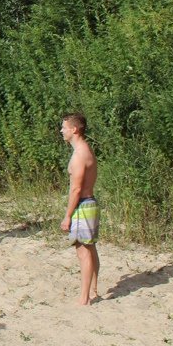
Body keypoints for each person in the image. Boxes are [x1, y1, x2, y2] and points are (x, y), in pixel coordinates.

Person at [61, 113, 100, 305]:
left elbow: (76, 188)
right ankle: (93, 290)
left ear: (74, 129)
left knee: (83, 251)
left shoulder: (79, 155)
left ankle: (84, 297)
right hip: (89, 202)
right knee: (91, 249)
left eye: (64, 127)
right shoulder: (86, 149)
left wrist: (67, 216)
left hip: (83, 205)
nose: (61, 131)